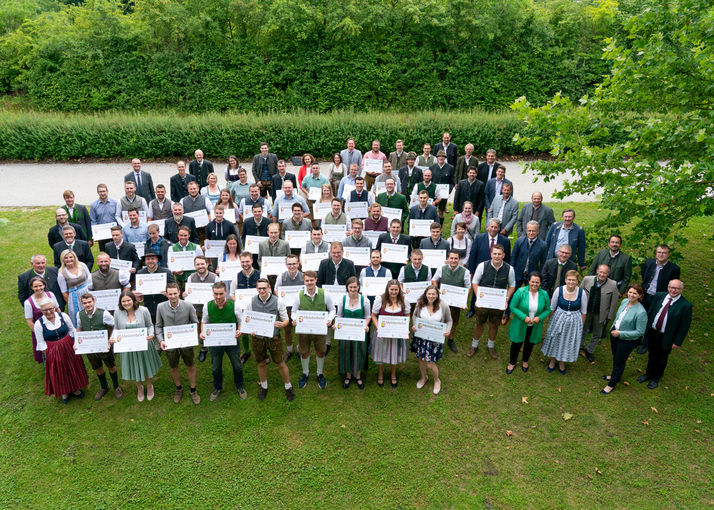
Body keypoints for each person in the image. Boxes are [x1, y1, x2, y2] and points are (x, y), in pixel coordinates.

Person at [243, 278, 294, 401]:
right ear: (257, 289)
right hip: (257, 338)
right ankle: (264, 386)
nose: (262, 290)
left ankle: (288, 386)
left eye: (264, 288)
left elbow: (286, 319)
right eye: (259, 288)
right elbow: (247, 319)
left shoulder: (278, 301)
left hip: (274, 338)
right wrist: (251, 329)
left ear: (269, 288)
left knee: (280, 362)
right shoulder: (251, 301)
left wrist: (283, 324)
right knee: (260, 363)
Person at [639, 279, 692, 389]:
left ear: (681, 289)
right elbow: (651, 312)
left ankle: (656, 378)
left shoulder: (685, 305)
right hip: (653, 332)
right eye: (671, 287)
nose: (673, 290)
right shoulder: (659, 296)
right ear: (668, 287)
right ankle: (648, 373)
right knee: (651, 354)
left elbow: (684, 327)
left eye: (676, 288)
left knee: (662, 358)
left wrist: (677, 342)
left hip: (667, 336)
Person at [34, 298, 88, 403]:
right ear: (41, 311)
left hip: (68, 345)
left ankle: (76, 388)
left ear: (54, 307)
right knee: (59, 370)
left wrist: (74, 343)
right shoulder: (39, 324)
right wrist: (49, 353)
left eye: (50, 309)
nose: (49, 312)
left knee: (72, 366)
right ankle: (64, 392)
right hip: (52, 349)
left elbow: (72, 330)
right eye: (45, 310)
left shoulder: (63, 316)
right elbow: (40, 342)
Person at [200, 282, 247, 401]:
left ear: (225, 293)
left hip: (231, 341)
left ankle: (239, 386)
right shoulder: (207, 306)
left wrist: (239, 330)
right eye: (216, 294)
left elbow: (241, 321)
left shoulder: (235, 305)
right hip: (215, 342)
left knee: (237, 365)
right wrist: (202, 332)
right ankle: (217, 387)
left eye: (221, 294)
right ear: (213, 293)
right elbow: (204, 321)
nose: (218, 297)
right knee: (215, 367)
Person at [156, 283, 201, 404]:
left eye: (175, 293)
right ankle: (179, 388)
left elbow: (195, 323)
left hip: (186, 343)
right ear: (166, 294)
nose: (173, 296)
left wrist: (190, 339)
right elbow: (158, 326)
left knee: (190, 365)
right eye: (170, 294)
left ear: (179, 292)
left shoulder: (188, 305)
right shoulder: (160, 307)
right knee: (173, 366)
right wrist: (161, 340)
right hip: (170, 343)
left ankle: (193, 389)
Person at [469, 244, 516, 359]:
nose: (497, 256)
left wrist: (506, 298)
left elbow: (512, 285)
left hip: (498, 303)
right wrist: (478, 297)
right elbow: (475, 282)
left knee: (494, 324)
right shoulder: (482, 266)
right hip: (483, 302)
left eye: (499, 254)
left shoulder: (509, 269)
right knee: (479, 323)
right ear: (491, 254)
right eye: (494, 253)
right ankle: (474, 345)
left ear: (503, 255)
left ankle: (491, 346)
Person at [112, 290, 160, 401]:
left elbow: (149, 325)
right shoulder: (117, 312)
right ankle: (139, 387)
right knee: (133, 367)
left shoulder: (143, 310)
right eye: (123, 301)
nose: (126, 303)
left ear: (133, 300)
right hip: (127, 347)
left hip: (143, 344)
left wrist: (151, 334)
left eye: (128, 300)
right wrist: (113, 337)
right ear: (120, 302)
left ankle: (149, 386)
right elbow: (116, 329)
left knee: (146, 366)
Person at [600, 284, 648, 394]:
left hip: (626, 341)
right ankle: (615, 376)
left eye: (635, 293)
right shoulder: (624, 302)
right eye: (630, 292)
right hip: (615, 335)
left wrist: (620, 333)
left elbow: (640, 332)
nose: (631, 295)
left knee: (619, 361)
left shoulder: (641, 312)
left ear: (640, 296)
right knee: (616, 358)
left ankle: (611, 384)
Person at [292, 271, 335, 389]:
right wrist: (294, 319)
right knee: (304, 351)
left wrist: (330, 319)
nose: (309, 283)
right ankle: (305, 373)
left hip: (320, 329)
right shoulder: (298, 295)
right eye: (307, 281)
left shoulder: (325, 294)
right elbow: (293, 311)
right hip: (304, 330)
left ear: (316, 280)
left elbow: (332, 310)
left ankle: (319, 373)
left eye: (311, 280)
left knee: (320, 351)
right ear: (304, 281)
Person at [75, 292, 123, 400]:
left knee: (111, 366)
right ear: (82, 304)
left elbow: (115, 325)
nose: (88, 305)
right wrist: (77, 342)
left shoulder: (104, 313)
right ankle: (104, 386)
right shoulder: (79, 314)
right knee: (97, 367)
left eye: (89, 302)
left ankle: (116, 386)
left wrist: (111, 339)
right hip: (90, 347)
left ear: (94, 301)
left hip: (104, 346)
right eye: (85, 303)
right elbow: (79, 328)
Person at [541, 270, 588, 375]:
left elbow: (584, 312)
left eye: (574, 280)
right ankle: (553, 360)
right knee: (555, 339)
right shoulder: (559, 290)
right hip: (558, 318)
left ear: (577, 281)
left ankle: (562, 362)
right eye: (569, 279)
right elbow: (552, 307)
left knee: (567, 341)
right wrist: (551, 321)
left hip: (574, 321)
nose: (571, 282)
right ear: (566, 280)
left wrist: (581, 325)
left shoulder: (582, 293)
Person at [638, 244, 681, 354]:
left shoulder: (674, 269)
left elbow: (673, 285)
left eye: (664, 253)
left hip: (658, 299)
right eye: (659, 252)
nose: (661, 255)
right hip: (645, 294)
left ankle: (646, 342)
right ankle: (637, 338)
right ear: (656, 253)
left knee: (651, 319)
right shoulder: (649, 262)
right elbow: (644, 275)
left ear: (668, 254)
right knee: (640, 316)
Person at [411, 284, 452, 394]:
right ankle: (424, 377)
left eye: (433, 294)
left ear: (437, 294)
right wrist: (415, 325)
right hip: (421, 337)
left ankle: (436, 380)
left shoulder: (443, 305)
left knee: (429, 363)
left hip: (434, 339)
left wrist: (448, 330)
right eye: (429, 294)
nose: (431, 296)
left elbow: (449, 320)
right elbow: (414, 315)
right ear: (425, 294)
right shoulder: (420, 304)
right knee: (420, 359)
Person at [507, 272, 551, 374]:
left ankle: (525, 361)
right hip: (520, 324)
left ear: (540, 283)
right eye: (532, 282)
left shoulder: (544, 294)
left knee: (529, 344)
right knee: (516, 343)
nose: (534, 284)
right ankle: (512, 362)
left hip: (534, 325)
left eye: (537, 282)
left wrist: (539, 318)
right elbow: (512, 306)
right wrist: (524, 317)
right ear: (529, 281)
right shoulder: (520, 291)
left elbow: (547, 310)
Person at [466, 218, 511, 317]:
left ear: (499, 228)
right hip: (481, 269)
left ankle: (493, 305)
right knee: (477, 288)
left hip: (497, 269)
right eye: (491, 226)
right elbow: (473, 254)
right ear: (488, 227)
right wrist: (471, 270)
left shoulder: (505, 241)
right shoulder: (479, 238)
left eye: (496, 227)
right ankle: (473, 309)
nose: (493, 229)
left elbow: (507, 258)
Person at [370, 279, 409, 387]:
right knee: (381, 352)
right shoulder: (380, 299)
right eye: (392, 289)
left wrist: (405, 327)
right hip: (382, 331)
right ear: (388, 289)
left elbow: (407, 315)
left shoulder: (404, 300)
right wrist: (378, 328)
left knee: (395, 352)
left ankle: (393, 374)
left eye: (396, 290)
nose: (394, 292)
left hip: (397, 333)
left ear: (399, 290)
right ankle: (381, 374)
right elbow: (373, 315)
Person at [333, 276, 371, 390]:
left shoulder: (365, 300)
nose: (353, 289)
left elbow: (367, 316)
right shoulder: (342, 299)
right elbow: (339, 316)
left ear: (358, 287)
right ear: (347, 287)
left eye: (355, 287)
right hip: (346, 332)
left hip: (359, 332)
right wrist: (336, 325)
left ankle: (358, 375)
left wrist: (366, 325)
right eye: (351, 287)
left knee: (359, 352)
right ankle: (348, 375)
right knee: (346, 352)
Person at [431, 250, 471, 353]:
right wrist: (436, 289)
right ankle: (437, 339)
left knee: (454, 321)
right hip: (442, 300)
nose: (453, 260)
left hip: (456, 302)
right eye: (451, 258)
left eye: (456, 258)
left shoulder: (465, 272)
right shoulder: (441, 268)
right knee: (438, 319)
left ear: (459, 259)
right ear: (448, 259)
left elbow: (468, 287)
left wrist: (464, 301)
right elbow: (434, 280)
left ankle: (451, 339)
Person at [579, 265, 619, 362]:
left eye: (604, 273)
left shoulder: (613, 284)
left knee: (597, 333)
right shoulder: (587, 279)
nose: (602, 274)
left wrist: (609, 316)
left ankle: (590, 350)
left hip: (600, 314)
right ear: (597, 271)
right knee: (582, 329)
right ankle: (580, 347)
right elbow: (579, 293)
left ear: (608, 274)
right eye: (600, 272)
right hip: (586, 311)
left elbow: (614, 303)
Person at [231, 251, 261, 363]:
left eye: (247, 261)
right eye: (242, 262)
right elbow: (232, 294)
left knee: (258, 330)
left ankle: (261, 351)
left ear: (252, 261)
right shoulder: (236, 277)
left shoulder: (260, 275)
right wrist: (239, 301)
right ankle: (247, 351)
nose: (245, 264)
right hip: (242, 308)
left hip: (257, 307)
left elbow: (267, 290)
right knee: (243, 329)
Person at [24, 276, 60, 365]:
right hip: (42, 331)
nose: (38, 288)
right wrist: (40, 333)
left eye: (40, 285)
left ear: (44, 285)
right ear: (32, 288)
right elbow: (29, 321)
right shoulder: (28, 302)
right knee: (48, 354)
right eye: (35, 286)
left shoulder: (50, 295)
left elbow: (57, 309)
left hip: (56, 327)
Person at [274, 254, 303, 361]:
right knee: (287, 329)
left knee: (300, 329)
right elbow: (276, 290)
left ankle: (300, 349)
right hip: (286, 307)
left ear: (298, 263)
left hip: (299, 307)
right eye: (289, 264)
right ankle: (289, 350)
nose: (292, 266)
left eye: (294, 264)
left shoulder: (303, 276)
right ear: (286, 265)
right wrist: (281, 297)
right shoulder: (281, 276)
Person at [134, 251, 174, 323]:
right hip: (148, 307)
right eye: (148, 259)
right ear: (145, 261)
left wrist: (168, 292)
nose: (150, 261)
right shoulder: (140, 273)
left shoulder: (166, 272)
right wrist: (135, 293)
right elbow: (135, 288)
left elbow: (174, 287)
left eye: (153, 259)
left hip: (164, 306)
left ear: (157, 260)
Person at [57, 250, 91, 328]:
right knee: (78, 317)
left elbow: (90, 279)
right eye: (66, 258)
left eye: (71, 257)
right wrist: (70, 303)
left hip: (87, 292)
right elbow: (64, 292)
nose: (69, 259)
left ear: (74, 257)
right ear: (63, 260)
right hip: (74, 297)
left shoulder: (82, 265)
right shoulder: (61, 273)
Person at [510, 221, 548, 287]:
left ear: (538, 231)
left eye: (533, 231)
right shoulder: (519, 242)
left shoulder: (543, 245)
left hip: (532, 275)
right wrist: (512, 272)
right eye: (529, 231)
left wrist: (540, 276)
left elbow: (543, 263)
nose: (531, 233)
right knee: (514, 294)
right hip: (518, 273)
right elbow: (513, 257)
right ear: (526, 231)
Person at [170, 226, 204, 290]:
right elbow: (170, 265)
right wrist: (175, 271)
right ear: (178, 235)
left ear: (189, 236)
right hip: (179, 280)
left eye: (185, 235)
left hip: (194, 279)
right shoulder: (171, 248)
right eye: (181, 235)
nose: (183, 237)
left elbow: (202, 263)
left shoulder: (197, 247)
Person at [90, 183, 120, 251]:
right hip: (102, 234)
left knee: (116, 251)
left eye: (104, 191)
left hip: (115, 232)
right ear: (97, 192)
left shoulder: (115, 203)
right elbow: (93, 220)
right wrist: (95, 234)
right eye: (100, 191)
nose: (102, 193)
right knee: (105, 252)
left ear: (107, 191)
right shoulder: (93, 205)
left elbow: (118, 217)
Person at [429, 150, 455, 224]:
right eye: (439, 156)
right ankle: (431, 227)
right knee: (432, 210)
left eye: (443, 156)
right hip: (433, 194)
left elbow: (452, 182)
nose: (441, 158)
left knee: (441, 211)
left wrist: (448, 192)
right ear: (437, 158)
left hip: (443, 195)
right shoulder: (432, 167)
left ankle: (439, 227)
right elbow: (429, 180)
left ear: (445, 158)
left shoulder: (450, 168)